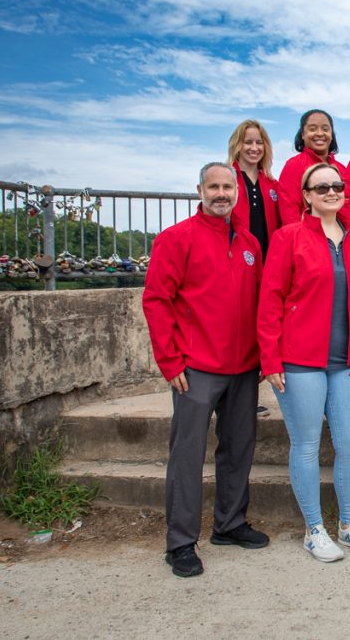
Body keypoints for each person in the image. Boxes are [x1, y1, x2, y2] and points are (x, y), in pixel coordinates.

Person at [142, 161, 269, 578]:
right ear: (199, 190)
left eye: (227, 187)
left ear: (236, 190)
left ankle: (229, 524)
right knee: (187, 455)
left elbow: (258, 304)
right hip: (196, 367)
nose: (221, 193)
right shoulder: (176, 239)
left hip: (244, 366)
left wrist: (264, 356)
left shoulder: (250, 241)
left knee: (238, 449)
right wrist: (169, 360)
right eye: (213, 186)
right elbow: (157, 301)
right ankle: (180, 542)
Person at [258, 162, 350, 562]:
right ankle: (313, 528)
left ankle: (349, 524)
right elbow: (271, 299)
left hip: (348, 362)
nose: (331, 191)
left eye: (337, 185)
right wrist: (270, 356)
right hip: (300, 361)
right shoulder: (288, 238)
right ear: (307, 195)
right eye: (321, 187)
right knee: (307, 445)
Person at [278, 109, 347, 225]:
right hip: (307, 237)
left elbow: (348, 206)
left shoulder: (342, 169)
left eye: (325, 129)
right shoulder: (293, 166)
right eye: (312, 129)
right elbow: (289, 210)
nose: (320, 133)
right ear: (303, 135)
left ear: (331, 135)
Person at [227, 119, 281, 260]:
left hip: (267, 255)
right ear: (237, 145)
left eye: (259, 142)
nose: (254, 147)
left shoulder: (273, 184)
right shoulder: (227, 180)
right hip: (236, 256)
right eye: (248, 142)